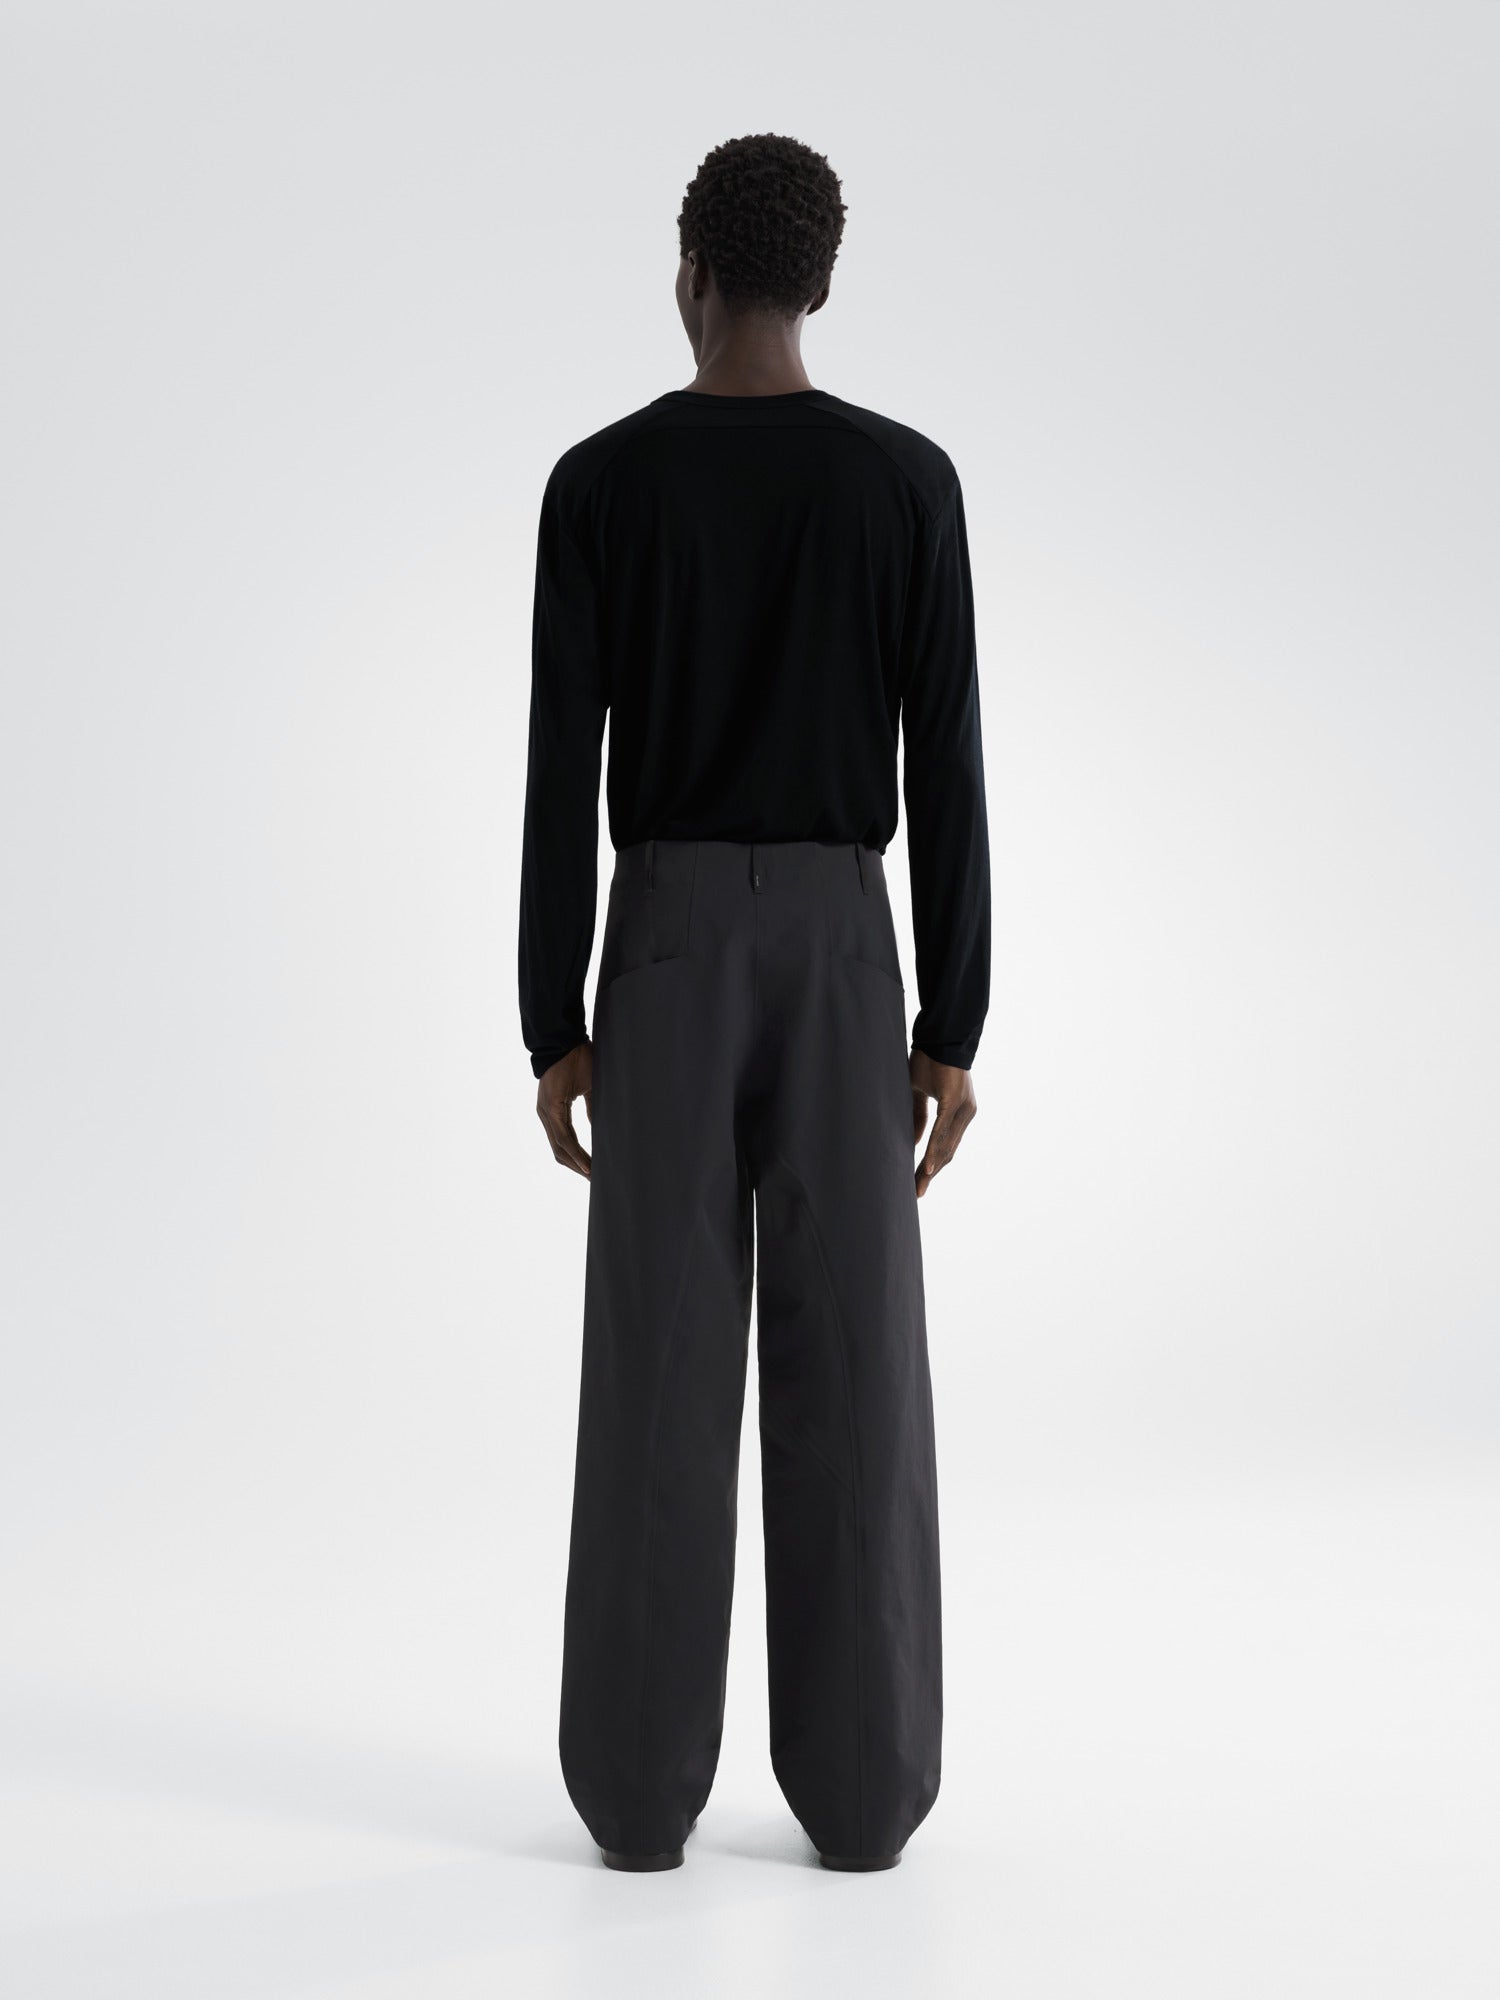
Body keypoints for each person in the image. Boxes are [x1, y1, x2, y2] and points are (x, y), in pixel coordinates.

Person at [518, 132, 990, 1874]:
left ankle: (636, 1803)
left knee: (658, 1352)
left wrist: (551, 1018)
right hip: (848, 949)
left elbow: (561, 767)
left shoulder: (602, 484)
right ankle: (865, 1802)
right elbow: (946, 765)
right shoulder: (904, 483)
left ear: (690, 273)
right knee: (855, 1350)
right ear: (822, 282)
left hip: (661, 944)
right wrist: (953, 1023)